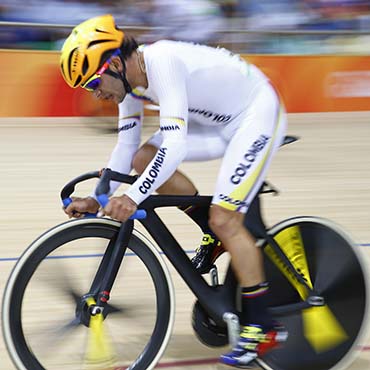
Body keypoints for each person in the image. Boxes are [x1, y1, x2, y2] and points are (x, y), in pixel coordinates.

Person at [60, 14, 288, 368]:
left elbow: (176, 145)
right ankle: (211, 234)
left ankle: (263, 325)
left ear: (116, 63)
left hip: (255, 114)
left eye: (93, 82)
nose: (95, 94)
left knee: (227, 218)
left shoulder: (161, 62)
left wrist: (132, 197)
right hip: (217, 123)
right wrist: (98, 196)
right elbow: (126, 150)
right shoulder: (130, 87)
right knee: (142, 156)